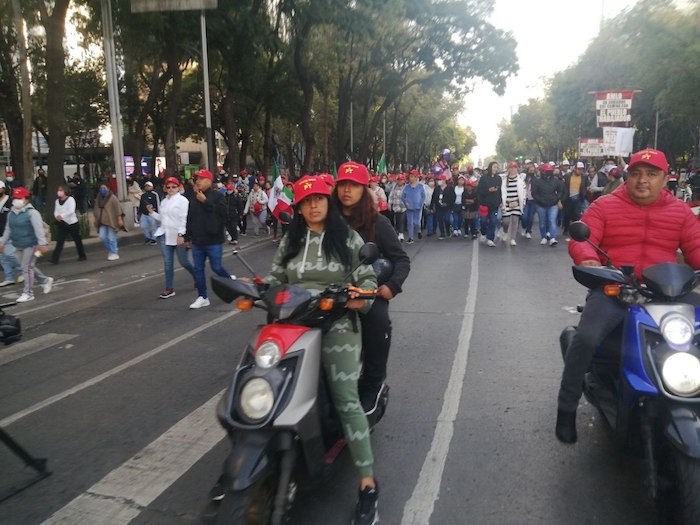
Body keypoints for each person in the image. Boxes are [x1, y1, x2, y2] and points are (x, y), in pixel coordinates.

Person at [555, 148, 700, 444]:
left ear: (664, 178)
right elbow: (583, 239)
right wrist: (588, 260)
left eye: (651, 174)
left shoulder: (680, 212)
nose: (642, 180)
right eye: (635, 173)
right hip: (616, 289)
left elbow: (696, 248)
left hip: (667, 294)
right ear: (627, 176)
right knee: (586, 339)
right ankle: (566, 409)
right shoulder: (605, 205)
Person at [266, 175, 380, 524]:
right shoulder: (291, 240)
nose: (313, 205)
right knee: (264, 391)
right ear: (298, 208)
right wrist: (259, 290)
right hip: (292, 327)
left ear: (327, 202)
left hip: (337, 325)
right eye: (305, 201)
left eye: (318, 198)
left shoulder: (347, 238)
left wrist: (359, 298)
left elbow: (369, 281)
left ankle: (368, 484)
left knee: (346, 399)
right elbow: (274, 279)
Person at [333, 161, 411, 421]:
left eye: (353, 185)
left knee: (377, 321)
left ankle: (373, 383)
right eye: (342, 184)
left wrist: (391, 286)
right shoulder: (325, 220)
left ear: (364, 189)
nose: (347, 190)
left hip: (367, 293)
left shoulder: (377, 223)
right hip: (329, 292)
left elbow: (401, 260)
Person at [186, 169, 233, 309]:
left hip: (213, 239)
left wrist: (206, 202)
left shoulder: (218, 196)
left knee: (216, 267)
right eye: (196, 179)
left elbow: (223, 214)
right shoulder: (193, 198)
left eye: (201, 178)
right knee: (198, 269)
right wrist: (187, 236)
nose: (197, 181)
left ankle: (231, 283)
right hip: (197, 240)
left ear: (209, 180)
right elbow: (190, 218)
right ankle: (202, 296)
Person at [0, 187, 54, 302]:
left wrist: (42, 245)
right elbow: (8, 230)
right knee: (28, 267)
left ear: (26, 200)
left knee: (27, 267)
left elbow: (39, 230)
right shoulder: (11, 214)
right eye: (15, 198)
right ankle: (45, 280)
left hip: (32, 245)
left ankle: (28, 293)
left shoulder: (32, 213)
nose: (16, 201)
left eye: (19, 198)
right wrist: (2, 243)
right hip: (18, 244)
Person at [150, 177, 196, 299]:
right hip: (165, 234)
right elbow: (163, 218)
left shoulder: (182, 201)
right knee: (167, 263)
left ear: (178, 187)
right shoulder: (164, 201)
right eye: (168, 187)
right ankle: (169, 288)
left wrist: (182, 235)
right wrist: (152, 213)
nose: (170, 189)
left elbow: (184, 219)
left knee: (184, 262)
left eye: (173, 187)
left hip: (178, 236)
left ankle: (197, 276)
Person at [49, 185, 86, 263]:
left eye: (61, 190)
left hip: (72, 223)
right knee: (60, 241)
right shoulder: (57, 201)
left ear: (65, 191)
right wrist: (57, 216)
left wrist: (61, 216)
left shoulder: (70, 200)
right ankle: (55, 258)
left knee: (77, 240)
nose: (59, 192)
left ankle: (82, 255)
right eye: (58, 190)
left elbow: (71, 211)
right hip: (62, 224)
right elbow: (56, 211)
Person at [532, 164, 562, 246]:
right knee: (542, 222)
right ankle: (544, 237)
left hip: (553, 204)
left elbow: (560, 191)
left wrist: (556, 199)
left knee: (552, 221)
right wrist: (540, 201)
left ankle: (552, 238)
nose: (548, 173)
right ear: (542, 172)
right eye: (547, 171)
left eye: (550, 171)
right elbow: (534, 193)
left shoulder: (556, 180)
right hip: (541, 205)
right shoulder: (537, 181)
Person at [0, 181, 23, 287]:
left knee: (10, 254)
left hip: (9, 232)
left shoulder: (11, 201)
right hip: (0, 234)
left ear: (3, 189)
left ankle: (22, 271)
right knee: (2, 257)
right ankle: (9, 277)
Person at [94, 182, 125, 261]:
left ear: (108, 188)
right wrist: (96, 219)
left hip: (112, 220)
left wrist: (119, 219)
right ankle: (111, 250)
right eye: (101, 188)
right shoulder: (98, 198)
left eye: (104, 188)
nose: (102, 190)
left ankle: (114, 252)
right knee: (102, 236)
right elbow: (96, 209)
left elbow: (118, 209)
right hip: (102, 221)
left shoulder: (112, 197)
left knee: (112, 237)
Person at [476, 161, 502, 247]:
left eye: (496, 167)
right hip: (484, 204)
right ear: (490, 167)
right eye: (494, 167)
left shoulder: (498, 178)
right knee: (483, 221)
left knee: (493, 221)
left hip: (494, 204)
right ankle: (483, 233)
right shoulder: (483, 178)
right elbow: (479, 190)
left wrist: (500, 202)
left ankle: (490, 238)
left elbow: (500, 191)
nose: (495, 169)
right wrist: (488, 190)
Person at [501, 162, 525, 246]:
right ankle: (505, 231)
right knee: (505, 222)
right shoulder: (504, 179)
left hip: (516, 203)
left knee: (515, 221)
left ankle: (513, 239)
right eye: (511, 168)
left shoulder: (520, 179)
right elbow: (501, 192)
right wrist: (502, 202)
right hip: (507, 203)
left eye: (514, 168)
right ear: (509, 169)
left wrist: (519, 202)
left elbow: (523, 192)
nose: (513, 169)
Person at [560, 161, 586, 235]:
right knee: (567, 215)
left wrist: (583, 194)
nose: (580, 171)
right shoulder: (568, 176)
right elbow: (564, 187)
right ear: (575, 169)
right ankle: (566, 229)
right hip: (568, 198)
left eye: (582, 169)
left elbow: (584, 186)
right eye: (579, 169)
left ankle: (575, 230)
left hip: (578, 198)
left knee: (576, 215)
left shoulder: (584, 177)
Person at [401, 170, 425, 243]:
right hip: (409, 208)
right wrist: (406, 203)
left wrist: (421, 204)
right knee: (410, 223)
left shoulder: (420, 186)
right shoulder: (406, 187)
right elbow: (402, 196)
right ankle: (410, 237)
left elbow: (423, 196)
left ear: (416, 178)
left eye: (412, 177)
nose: (410, 178)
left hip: (418, 207)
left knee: (416, 222)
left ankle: (418, 231)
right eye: (410, 177)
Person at [431, 174, 455, 239]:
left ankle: (448, 229)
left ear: (444, 180)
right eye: (438, 180)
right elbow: (433, 198)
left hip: (447, 207)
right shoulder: (437, 189)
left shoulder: (450, 188)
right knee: (440, 220)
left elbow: (453, 198)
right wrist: (432, 206)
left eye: (440, 180)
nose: (439, 181)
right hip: (439, 207)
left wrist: (448, 204)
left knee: (447, 219)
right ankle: (442, 233)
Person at [138, 181, 160, 245]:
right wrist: (139, 213)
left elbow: (157, 203)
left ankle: (154, 239)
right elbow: (141, 204)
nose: (147, 187)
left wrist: (157, 212)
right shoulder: (143, 195)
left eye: (149, 186)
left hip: (152, 213)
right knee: (143, 226)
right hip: (144, 213)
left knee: (153, 226)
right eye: (146, 186)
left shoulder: (154, 194)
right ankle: (148, 237)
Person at [388, 174, 407, 241]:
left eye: (401, 180)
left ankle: (401, 234)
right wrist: (389, 204)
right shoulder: (394, 188)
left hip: (403, 207)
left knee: (401, 220)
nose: (399, 181)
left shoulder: (406, 188)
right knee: (397, 220)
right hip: (396, 207)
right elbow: (391, 196)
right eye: (398, 180)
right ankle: (398, 232)